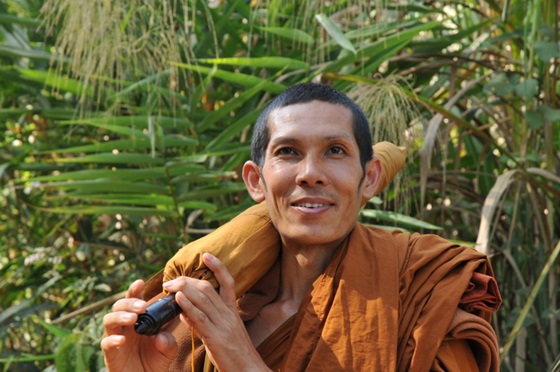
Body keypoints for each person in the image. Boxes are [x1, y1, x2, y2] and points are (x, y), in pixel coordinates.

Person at [101, 83, 501, 371]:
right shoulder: (202, 320)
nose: (310, 174)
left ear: (370, 178)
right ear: (256, 181)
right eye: (288, 152)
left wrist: (241, 360)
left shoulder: (421, 288)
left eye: (335, 151)